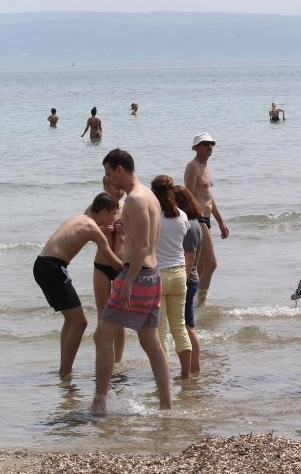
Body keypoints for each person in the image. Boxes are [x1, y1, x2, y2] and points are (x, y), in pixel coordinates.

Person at [92, 148, 171, 415]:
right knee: (151, 343)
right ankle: (166, 407)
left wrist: (126, 283)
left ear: (120, 170)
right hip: (152, 276)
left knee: (102, 336)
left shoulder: (136, 199)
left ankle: (98, 403)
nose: (108, 180)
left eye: (108, 174)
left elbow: (143, 245)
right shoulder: (149, 196)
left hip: (135, 276)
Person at [34, 193, 122, 378]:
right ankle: (65, 372)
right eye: (113, 214)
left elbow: (95, 206)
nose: (114, 219)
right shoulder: (93, 229)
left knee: (71, 320)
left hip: (42, 265)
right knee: (80, 322)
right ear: (104, 212)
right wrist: (137, 271)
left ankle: (64, 369)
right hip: (53, 268)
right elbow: (113, 261)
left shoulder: (79, 218)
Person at [151, 175, 193, 379]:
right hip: (179, 273)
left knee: (160, 329)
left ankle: (164, 374)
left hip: (158, 274)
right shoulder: (182, 215)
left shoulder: (153, 215)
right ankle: (186, 374)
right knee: (179, 326)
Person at [185, 132, 229, 306]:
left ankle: (191, 301)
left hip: (207, 219)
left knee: (201, 267)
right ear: (195, 147)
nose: (209, 146)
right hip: (197, 219)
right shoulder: (193, 166)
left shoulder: (206, 167)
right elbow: (187, 195)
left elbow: (209, 198)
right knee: (211, 264)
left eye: (211, 143)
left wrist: (220, 221)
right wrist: (192, 220)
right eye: (205, 144)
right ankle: (201, 304)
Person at [91, 175, 126, 364]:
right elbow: (85, 227)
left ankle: (117, 362)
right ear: (105, 185)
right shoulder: (97, 207)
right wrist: (103, 229)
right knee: (103, 313)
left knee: (119, 317)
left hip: (121, 265)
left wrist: (122, 232)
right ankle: (103, 357)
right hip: (102, 265)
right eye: (115, 188)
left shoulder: (127, 207)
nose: (119, 192)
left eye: (121, 189)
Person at [173, 185, 203, 375]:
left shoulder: (190, 226)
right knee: (186, 325)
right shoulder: (192, 222)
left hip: (188, 281)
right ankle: (193, 369)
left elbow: (190, 257)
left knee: (188, 326)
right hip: (188, 279)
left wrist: (180, 283)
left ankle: (195, 369)